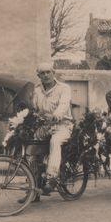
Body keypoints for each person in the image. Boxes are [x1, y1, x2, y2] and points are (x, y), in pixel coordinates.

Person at [32, 62, 74, 197]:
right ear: (38, 76)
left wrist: (56, 115)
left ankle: (52, 178)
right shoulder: (37, 89)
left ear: (53, 73)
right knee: (32, 150)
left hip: (62, 125)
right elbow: (34, 108)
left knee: (55, 142)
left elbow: (63, 104)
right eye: (42, 73)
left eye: (48, 72)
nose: (45, 75)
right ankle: (33, 191)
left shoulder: (64, 88)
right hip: (44, 126)